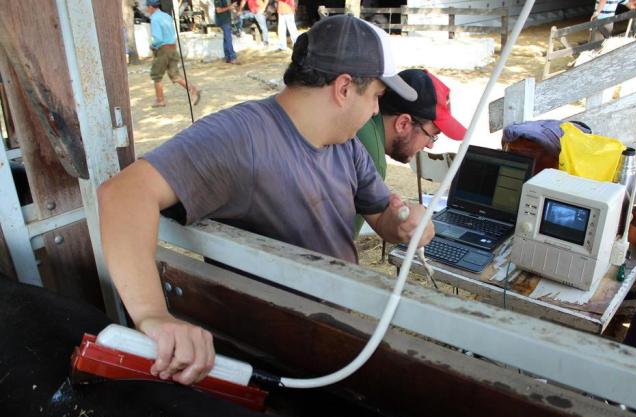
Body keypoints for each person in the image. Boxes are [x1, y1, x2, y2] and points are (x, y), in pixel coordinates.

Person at [97, 16, 433, 386]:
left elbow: (381, 211)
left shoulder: (347, 144)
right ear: (343, 89)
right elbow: (122, 194)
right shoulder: (241, 137)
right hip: (273, 348)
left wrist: (403, 222)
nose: (374, 111)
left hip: (330, 331)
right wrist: (152, 315)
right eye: (376, 97)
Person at [354, 69, 467, 235]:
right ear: (403, 124)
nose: (430, 146)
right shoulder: (371, 156)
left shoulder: (361, 123)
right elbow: (336, 246)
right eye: (432, 136)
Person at [147, 0, 201, 107]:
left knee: (156, 75)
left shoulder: (154, 19)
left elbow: (157, 38)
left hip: (163, 50)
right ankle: (193, 89)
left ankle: (160, 100)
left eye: (147, 7)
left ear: (150, 7)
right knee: (175, 74)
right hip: (172, 48)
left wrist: (152, 45)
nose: (147, 10)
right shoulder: (167, 16)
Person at [214, 0, 241, 64]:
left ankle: (228, 58)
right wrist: (230, 7)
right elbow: (218, 10)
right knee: (228, 38)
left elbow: (228, 8)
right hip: (223, 21)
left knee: (226, 39)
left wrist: (233, 7)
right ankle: (232, 58)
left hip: (226, 20)